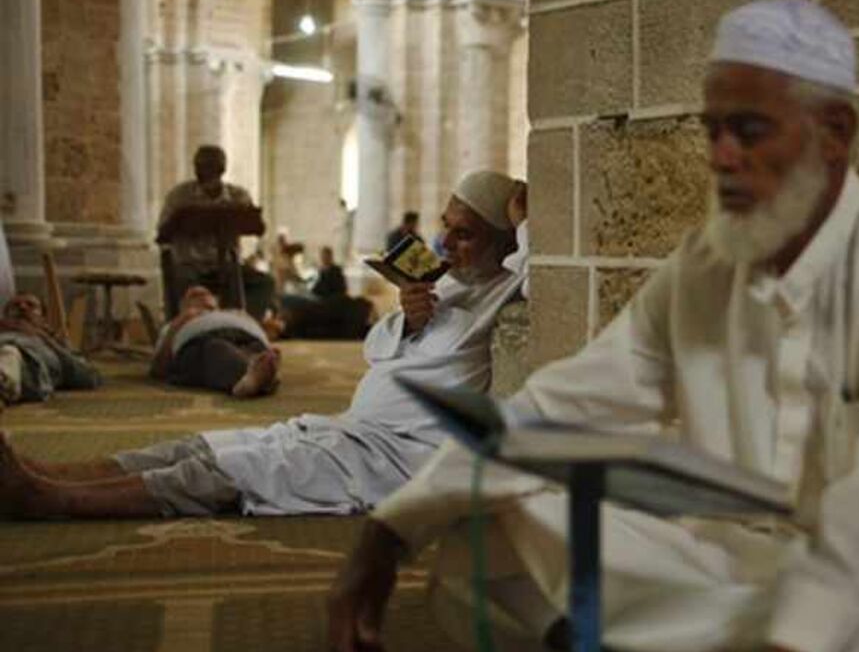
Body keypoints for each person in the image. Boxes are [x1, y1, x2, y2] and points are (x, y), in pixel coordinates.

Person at [328, 0, 859, 652]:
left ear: (834, 134)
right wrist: (394, 529)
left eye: (751, 129)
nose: (724, 156)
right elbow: (561, 406)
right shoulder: (714, 263)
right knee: (494, 530)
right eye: (715, 130)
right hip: (758, 572)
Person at [0, 172, 529, 520]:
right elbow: (379, 351)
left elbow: (539, 253)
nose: (447, 246)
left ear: (504, 242)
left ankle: (51, 500)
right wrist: (409, 320)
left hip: (392, 461)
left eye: (466, 235)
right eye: (447, 229)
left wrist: (524, 211)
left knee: (214, 475)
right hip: (350, 430)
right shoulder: (449, 282)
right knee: (200, 446)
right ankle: (50, 472)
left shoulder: (505, 285)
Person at [157, 145, 275, 319]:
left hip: (226, 264)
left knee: (264, 282)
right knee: (183, 281)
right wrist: (187, 220)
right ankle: (191, 328)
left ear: (222, 168)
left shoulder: (237, 196)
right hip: (189, 264)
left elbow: (257, 227)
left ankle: (242, 324)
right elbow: (162, 232)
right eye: (201, 165)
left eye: (211, 165)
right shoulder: (180, 196)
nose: (205, 170)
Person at [150, 285, 281, 399]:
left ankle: (258, 373)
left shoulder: (233, 312)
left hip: (248, 338)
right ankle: (249, 377)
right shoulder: (174, 323)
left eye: (206, 294)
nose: (202, 297)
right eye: (194, 295)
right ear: (183, 305)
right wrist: (180, 321)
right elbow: (158, 368)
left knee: (259, 354)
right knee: (218, 350)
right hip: (202, 340)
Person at [0, 294, 102, 407]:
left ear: (43, 319)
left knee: (9, 352)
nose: (22, 307)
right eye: (15, 306)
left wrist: (46, 339)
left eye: (31, 305)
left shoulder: (49, 342)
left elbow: (90, 377)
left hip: (29, 371)